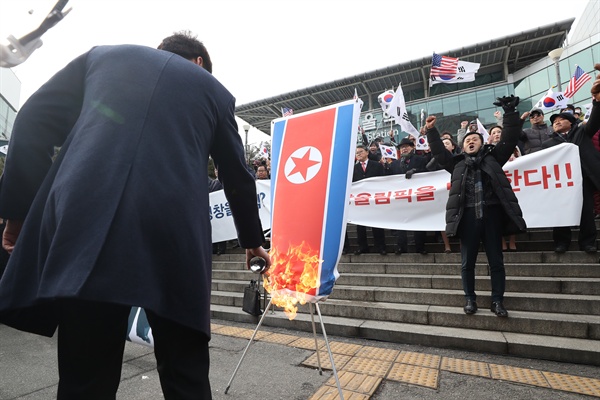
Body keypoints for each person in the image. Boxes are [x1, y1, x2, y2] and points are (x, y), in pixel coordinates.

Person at [0, 31, 271, 400]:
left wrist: (18, 213)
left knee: (86, 376)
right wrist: (253, 242)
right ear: (199, 63)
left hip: (87, 221)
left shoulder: (102, 57)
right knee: (185, 371)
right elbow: (237, 176)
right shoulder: (214, 92)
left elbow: (32, 119)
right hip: (174, 229)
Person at [426, 95, 527, 318]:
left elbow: (509, 139)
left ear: (483, 143)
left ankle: (497, 301)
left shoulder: (494, 158)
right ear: (462, 146)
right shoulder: (456, 165)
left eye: (475, 139)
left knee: (496, 262)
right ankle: (470, 299)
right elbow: (439, 153)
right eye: (467, 140)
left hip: (492, 217)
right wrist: (432, 131)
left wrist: (509, 113)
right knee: (466, 263)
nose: (471, 141)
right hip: (467, 218)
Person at [541, 67, 600, 253]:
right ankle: (561, 242)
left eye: (561, 119)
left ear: (571, 122)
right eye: (554, 121)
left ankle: (588, 242)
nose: (556, 122)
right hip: (560, 182)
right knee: (561, 212)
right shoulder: (548, 143)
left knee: (586, 212)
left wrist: (597, 102)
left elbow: (595, 121)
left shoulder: (582, 132)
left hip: (583, 178)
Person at [385, 137, 428, 254]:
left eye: (406, 147)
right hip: (400, 198)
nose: (404, 149)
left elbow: (427, 172)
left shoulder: (420, 160)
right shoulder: (394, 164)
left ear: (412, 147)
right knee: (400, 223)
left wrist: (415, 171)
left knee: (419, 222)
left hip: (416, 197)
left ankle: (420, 247)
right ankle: (401, 247)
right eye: (401, 147)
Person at [352, 145, 387, 255]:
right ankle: (362, 247)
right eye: (356, 153)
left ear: (367, 152)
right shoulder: (353, 169)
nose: (358, 154)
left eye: (360, 152)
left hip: (374, 200)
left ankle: (381, 247)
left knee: (377, 224)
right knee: (360, 226)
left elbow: (383, 180)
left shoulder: (377, 165)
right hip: (360, 201)